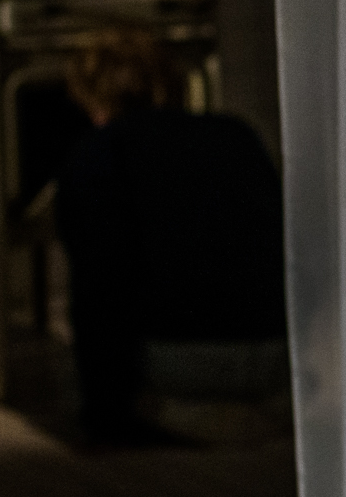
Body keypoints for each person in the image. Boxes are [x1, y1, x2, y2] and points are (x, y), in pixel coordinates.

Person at [55, 29, 286, 445]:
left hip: (178, 358)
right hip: (276, 353)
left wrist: (104, 410)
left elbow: (98, 284)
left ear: (93, 99)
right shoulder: (235, 135)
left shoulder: (101, 154)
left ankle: (164, 413)